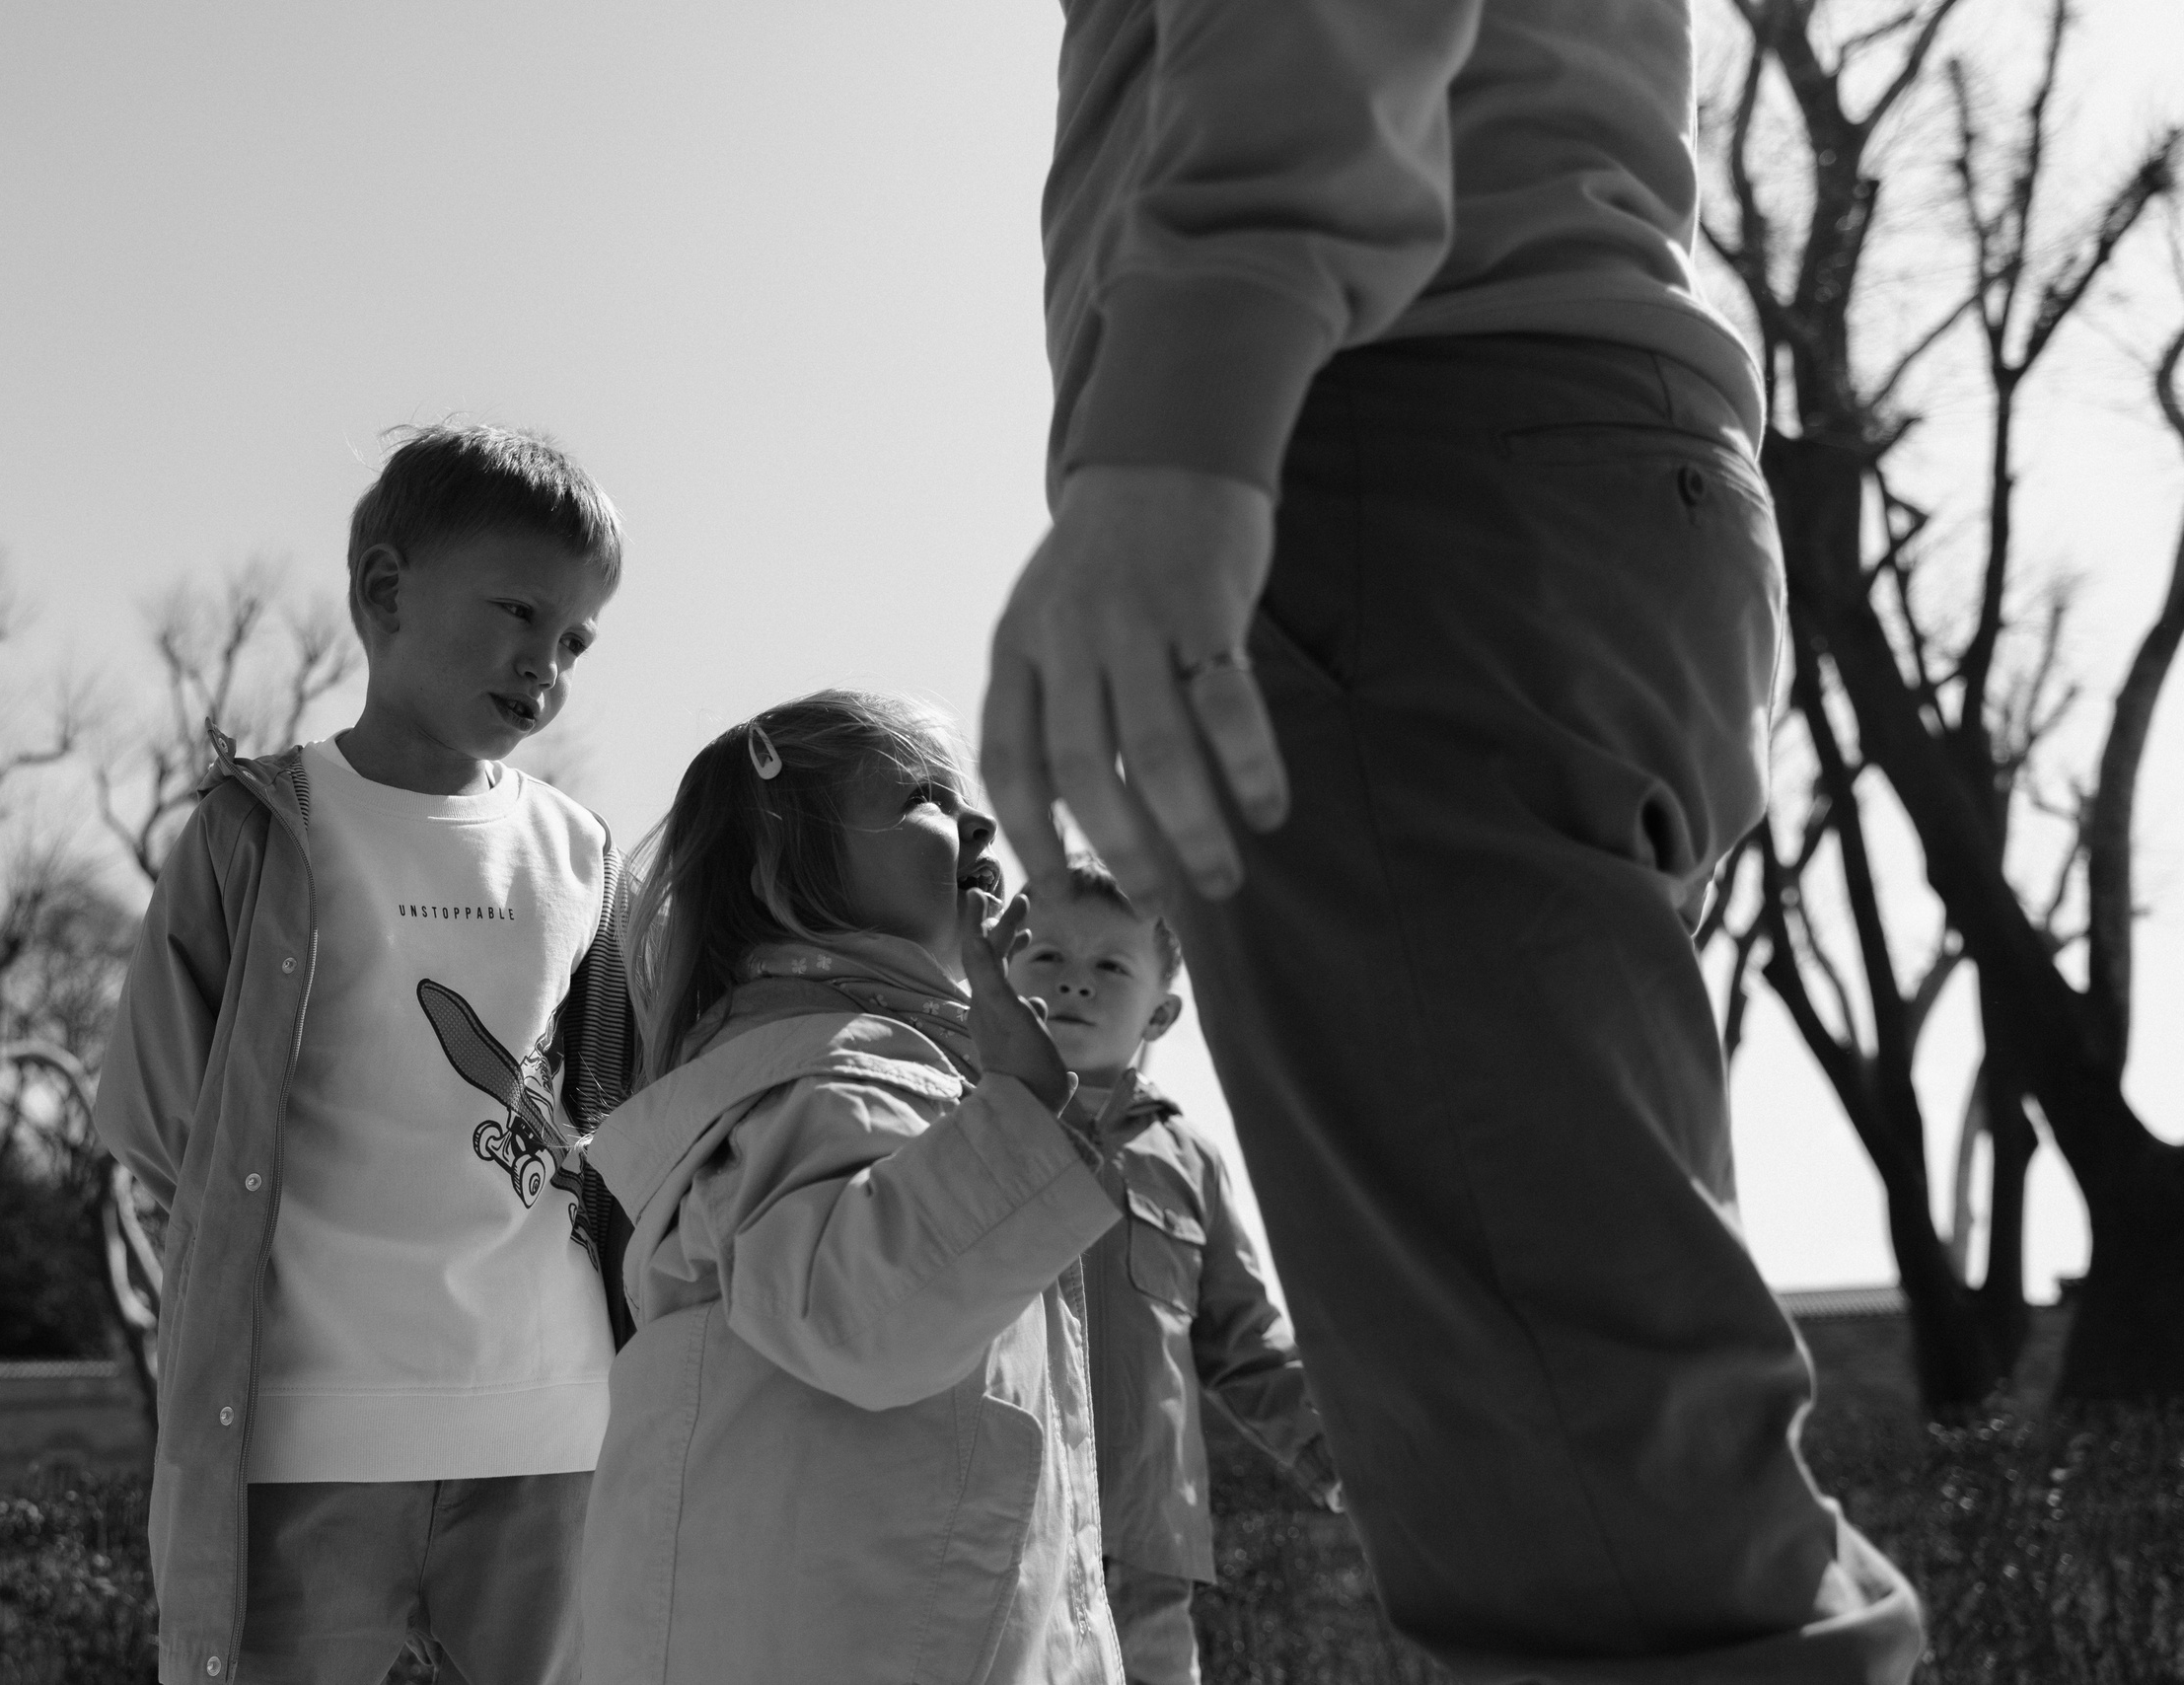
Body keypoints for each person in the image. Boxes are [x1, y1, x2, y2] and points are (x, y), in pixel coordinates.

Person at [979, 3, 1927, 1679]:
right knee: (1595, 1460)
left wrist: (1186, 409)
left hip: (1383, 449)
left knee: (1603, 1550)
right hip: (1536, 459)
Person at [95, 424, 637, 1685]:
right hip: (306, 1425)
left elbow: (625, 1112)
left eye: (576, 640)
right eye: (520, 611)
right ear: (385, 593)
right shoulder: (254, 827)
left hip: (551, 1418)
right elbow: (155, 1112)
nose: (544, 663)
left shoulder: (585, 854)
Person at [579, 691, 1126, 1685]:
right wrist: (1018, 1104)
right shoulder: (819, 1074)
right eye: (924, 796)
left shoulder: (870, 1067)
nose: (978, 822)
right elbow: (860, 1318)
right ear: (785, 864)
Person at [1007, 856, 1345, 1685]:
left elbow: (1250, 1344)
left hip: (1146, 1546)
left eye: (1109, 966)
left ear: (1160, 1013)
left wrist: (1350, 1461)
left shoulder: (1189, 1162)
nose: (1074, 983)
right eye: (1046, 956)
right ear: (999, 969)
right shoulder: (956, 1121)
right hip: (997, 1538)